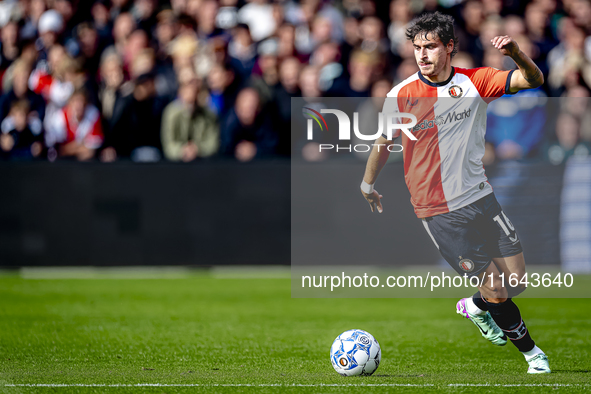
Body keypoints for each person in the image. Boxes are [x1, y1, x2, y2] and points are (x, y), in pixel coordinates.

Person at [359, 12, 550, 374]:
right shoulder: (400, 95)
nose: (422, 55)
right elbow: (383, 144)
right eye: (416, 48)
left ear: (449, 47)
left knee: (517, 282)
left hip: (480, 196)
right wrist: (367, 184)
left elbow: (534, 79)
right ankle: (532, 354)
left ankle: (474, 307)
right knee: (496, 288)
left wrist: (516, 53)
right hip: (438, 210)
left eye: (430, 46)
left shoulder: (475, 82)